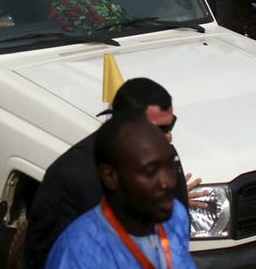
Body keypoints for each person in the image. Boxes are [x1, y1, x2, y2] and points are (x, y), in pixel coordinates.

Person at [25, 78, 193, 269]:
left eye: (170, 126)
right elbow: (40, 256)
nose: (168, 136)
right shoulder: (70, 175)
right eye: (159, 128)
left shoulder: (165, 156)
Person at [45, 114, 197, 269]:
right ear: (110, 177)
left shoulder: (176, 216)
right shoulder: (78, 253)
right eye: (151, 171)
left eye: (170, 165)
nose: (168, 182)